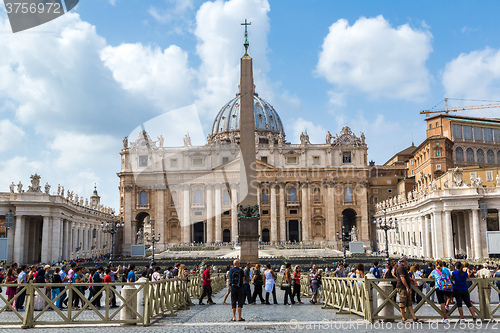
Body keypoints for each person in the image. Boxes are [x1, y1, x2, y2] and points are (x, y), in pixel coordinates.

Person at [396, 255, 421, 323]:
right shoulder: (400, 267)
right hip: (402, 287)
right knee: (402, 303)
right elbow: (402, 278)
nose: (407, 261)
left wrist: (409, 279)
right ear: (404, 260)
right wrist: (407, 287)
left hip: (405, 287)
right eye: (407, 260)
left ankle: (414, 318)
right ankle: (403, 318)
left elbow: (404, 277)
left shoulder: (403, 267)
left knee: (409, 303)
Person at [430, 259, 453, 323]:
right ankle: (447, 305)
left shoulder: (434, 271)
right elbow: (450, 276)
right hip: (447, 286)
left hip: (439, 287)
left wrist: (436, 278)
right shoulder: (446, 269)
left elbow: (429, 277)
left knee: (441, 303)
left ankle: (445, 318)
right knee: (450, 295)